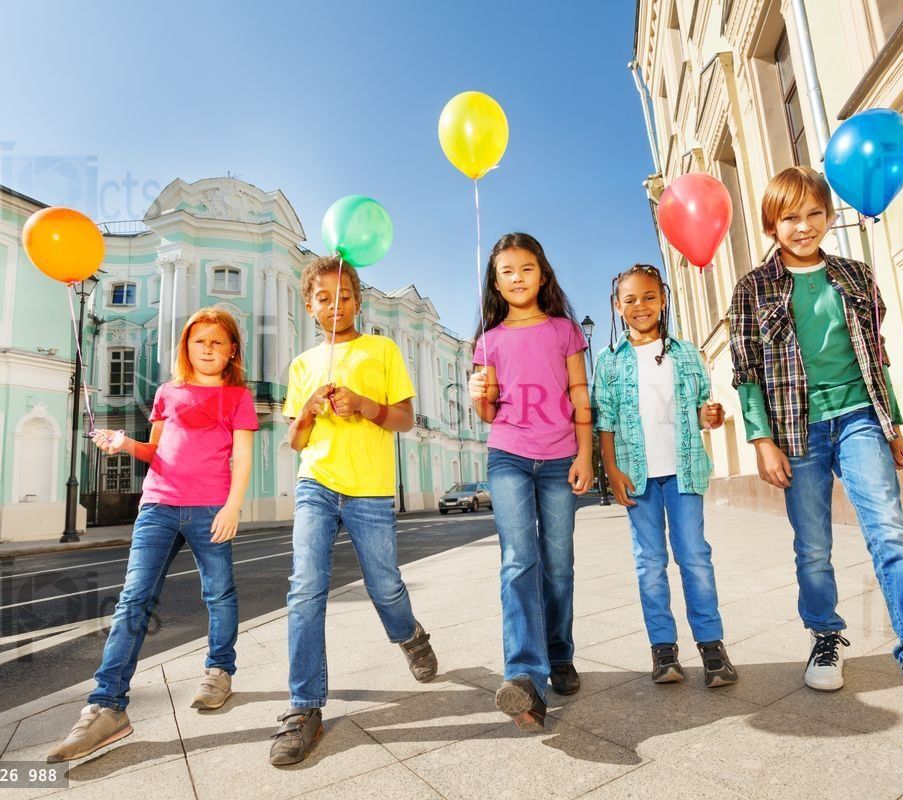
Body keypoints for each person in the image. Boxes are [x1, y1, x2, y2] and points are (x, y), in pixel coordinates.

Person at [727, 166, 903, 730]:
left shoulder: (856, 276)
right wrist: (761, 440)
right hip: (796, 430)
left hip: (861, 416)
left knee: (891, 533)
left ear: (828, 215)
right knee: (813, 547)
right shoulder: (752, 288)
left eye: (815, 213)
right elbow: (746, 371)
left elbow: (876, 355)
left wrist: (895, 425)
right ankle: (825, 636)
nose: (804, 226)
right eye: (790, 217)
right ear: (771, 225)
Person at [47, 307, 257, 763]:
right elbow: (156, 450)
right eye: (199, 341)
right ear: (186, 347)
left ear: (231, 350)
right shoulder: (167, 392)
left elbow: (242, 458)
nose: (207, 349)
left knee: (219, 593)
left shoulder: (238, 397)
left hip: (210, 510)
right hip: (158, 507)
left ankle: (219, 671)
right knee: (133, 599)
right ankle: (107, 706)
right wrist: (124, 444)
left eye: (217, 342)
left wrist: (233, 506)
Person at [269, 256, 438, 766]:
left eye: (343, 296)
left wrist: (364, 405)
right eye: (323, 298)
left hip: (370, 489)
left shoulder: (382, 349)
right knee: (305, 587)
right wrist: (308, 412)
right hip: (316, 483)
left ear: (358, 301)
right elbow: (295, 440)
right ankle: (304, 707)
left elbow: (404, 419)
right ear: (309, 305)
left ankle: (410, 635)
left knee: (383, 585)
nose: (335, 305)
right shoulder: (302, 365)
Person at [469, 232, 593, 731]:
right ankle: (523, 673)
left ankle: (559, 655)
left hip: (561, 458)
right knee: (518, 561)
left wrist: (586, 454)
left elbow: (580, 394)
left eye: (526, 268)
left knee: (558, 565)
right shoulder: (488, 340)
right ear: (496, 284)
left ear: (542, 275)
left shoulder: (565, 330)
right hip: (509, 456)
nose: (517, 278)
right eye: (507, 272)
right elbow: (488, 412)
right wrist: (478, 394)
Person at [594, 263, 737, 687]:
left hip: (683, 471)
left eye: (649, 297)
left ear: (662, 300)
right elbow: (605, 420)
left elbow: (700, 409)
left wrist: (709, 416)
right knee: (650, 562)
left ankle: (712, 649)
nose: (640, 306)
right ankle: (663, 651)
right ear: (617, 306)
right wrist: (611, 471)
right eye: (631, 299)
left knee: (694, 557)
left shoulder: (686, 353)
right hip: (636, 477)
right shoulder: (608, 360)